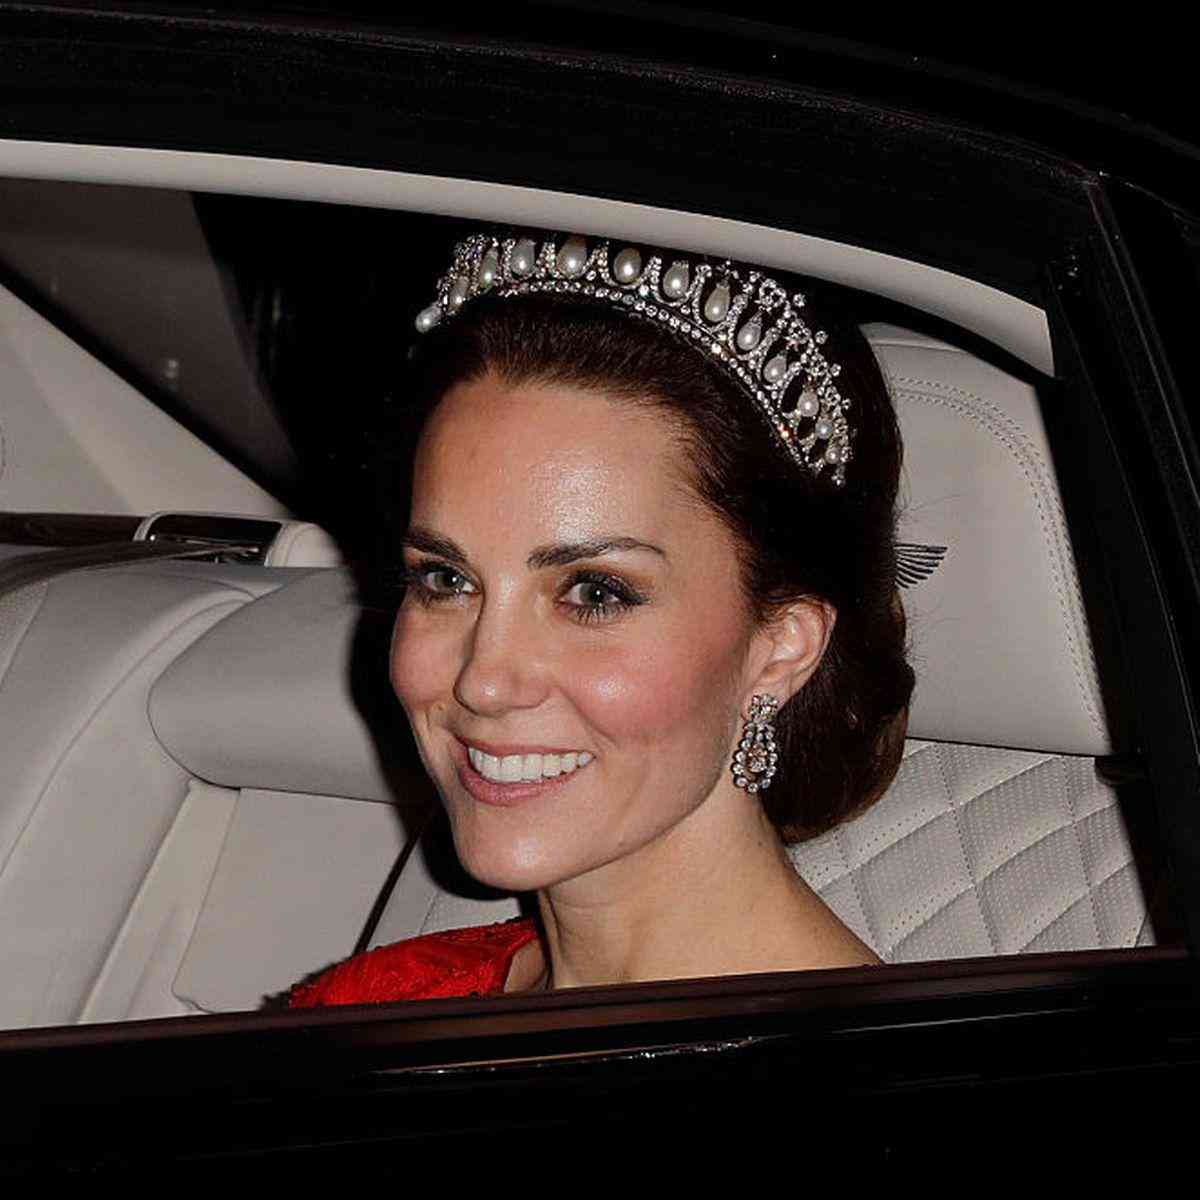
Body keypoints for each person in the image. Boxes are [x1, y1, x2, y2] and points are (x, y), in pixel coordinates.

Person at [285, 228, 914, 1007]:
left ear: (780, 648)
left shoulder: (892, 1075)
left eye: (593, 594)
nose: (484, 680)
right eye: (446, 580)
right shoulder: (373, 1004)